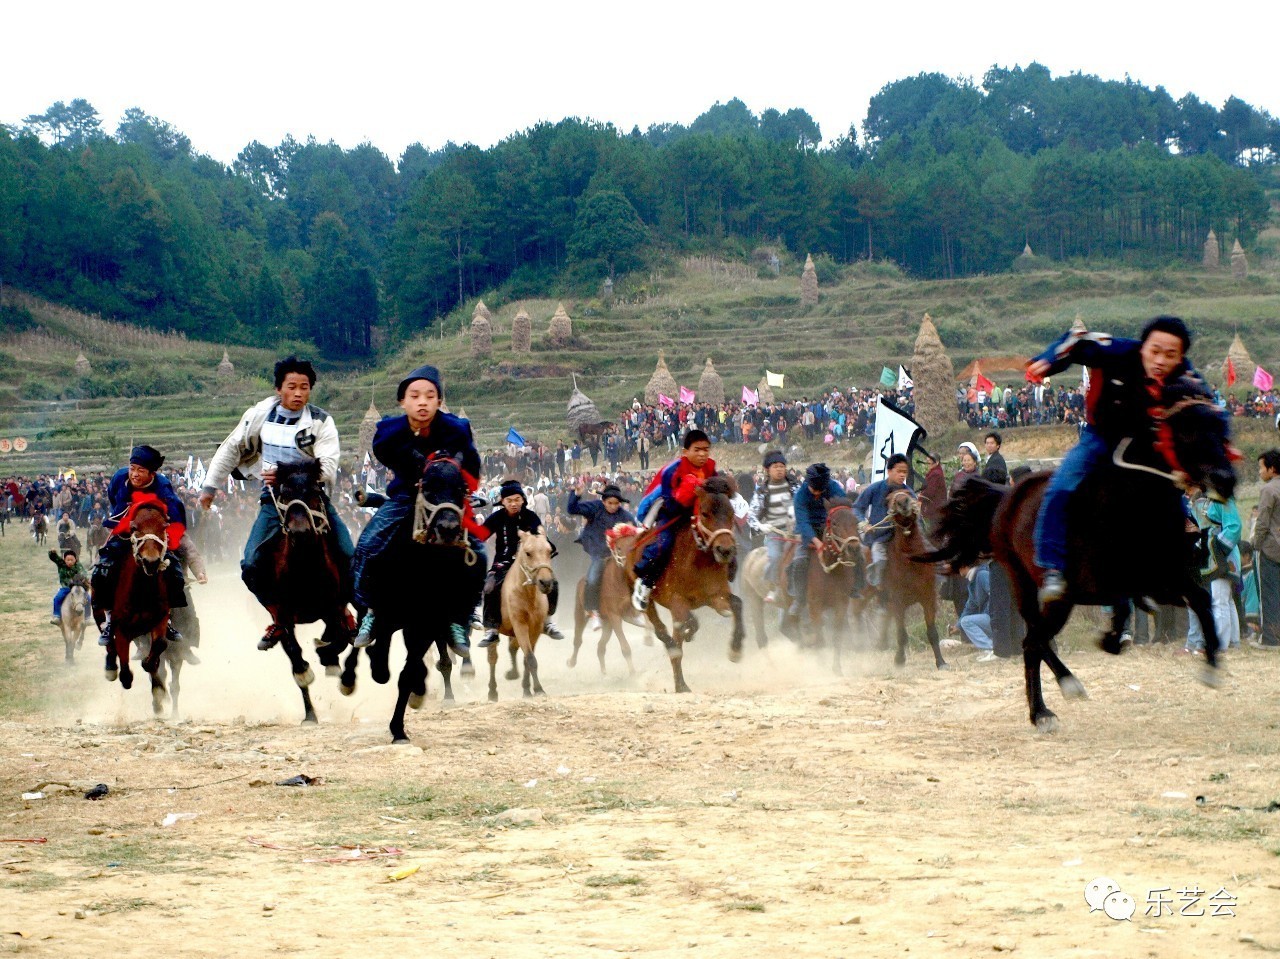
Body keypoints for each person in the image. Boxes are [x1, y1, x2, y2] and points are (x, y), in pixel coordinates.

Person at [1028, 316, 1214, 609]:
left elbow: (1206, 409)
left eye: (1170, 354)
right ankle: (1052, 568)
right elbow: (1076, 340)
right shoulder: (1117, 350)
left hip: (1142, 443)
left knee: (1172, 501)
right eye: (1155, 351)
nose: (1161, 360)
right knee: (1061, 487)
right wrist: (1049, 360)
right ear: (1144, 345)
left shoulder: (1186, 374)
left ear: (1180, 356)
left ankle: (1164, 574)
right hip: (1099, 437)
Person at [201, 356, 355, 651]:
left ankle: (344, 611)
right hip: (275, 501)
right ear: (278, 389)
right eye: (292, 387)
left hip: (313, 499)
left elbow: (327, 466)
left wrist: (286, 472)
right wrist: (210, 486)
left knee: (349, 554)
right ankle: (277, 617)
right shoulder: (259, 415)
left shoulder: (321, 421)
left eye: (304, 387)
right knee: (250, 563)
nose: (298, 393)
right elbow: (231, 448)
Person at [350, 364, 483, 654]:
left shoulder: (457, 428)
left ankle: (461, 616)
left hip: (446, 499)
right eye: (415, 396)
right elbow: (383, 452)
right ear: (403, 401)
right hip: (406, 495)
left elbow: (473, 463)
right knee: (369, 544)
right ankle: (370, 611)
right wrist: (414, 447)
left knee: (478, 552)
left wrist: (458, 483)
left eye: (429, 396)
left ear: (439, 400)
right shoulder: (389, 429)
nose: (422, 402)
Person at [92, 445, 188, 649]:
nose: (134, 474)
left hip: (152, 534)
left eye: (140, 470)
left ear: (152, 474)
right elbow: (113, 498)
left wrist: (165, 538)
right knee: (102, 570)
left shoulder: (162, 486)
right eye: (132, 468)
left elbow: (175, 513)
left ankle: (167, 618)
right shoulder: (120, 477)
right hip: (125, 529)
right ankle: (108, 620)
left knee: (175, 573)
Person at [631, 430, 717, 611]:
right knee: (664, 543)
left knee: (720, 537)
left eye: (706, 450)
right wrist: (689, 498)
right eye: (697, 450)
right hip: (672, 514)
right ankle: (645, 582)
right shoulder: (671, 471)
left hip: (698, 514)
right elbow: (669, 500)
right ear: (685, 452)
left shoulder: (710, 468)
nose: (702, 454)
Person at [476, 479, 565, 647]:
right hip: (503, 562)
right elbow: (480, 535)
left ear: (523, 500)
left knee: (553, 583)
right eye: (509, 500)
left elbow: (539, 536)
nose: (513, 503)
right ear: (502, 501)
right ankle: (492, 629)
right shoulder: (496, 518)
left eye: (517, 499)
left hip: (530, 562)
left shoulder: (530, 517)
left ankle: (547, 621)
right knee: (489, 587)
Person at [568, 478, 635, 632]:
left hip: (618, 556)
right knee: (592, 579)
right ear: (603, 501)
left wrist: (633, 529)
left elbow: (635, 530)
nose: (613, 506)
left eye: (616, 503)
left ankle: (633, 609)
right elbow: (572, 509)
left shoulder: (625, 515)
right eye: (610, 503)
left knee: (635, 575)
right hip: (599, 553)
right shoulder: (595, 508)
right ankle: (593, 612)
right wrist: (576, 494)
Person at [786, 462, 852, 616]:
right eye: (814, 490)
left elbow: (844, 508)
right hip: (807, 530)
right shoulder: (800, 495)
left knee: (854, 552)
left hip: (830, 527)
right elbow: (803, 522)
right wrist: (817, 543)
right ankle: (799, 599)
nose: (816, 493)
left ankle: (854, 589)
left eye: (820, 491)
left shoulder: (834, 488)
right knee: (799, 561)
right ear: (808, 483)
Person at [1183, 481, 1241, 654]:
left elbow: (1234, 526)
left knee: (1220, 600)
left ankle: (1220, 645)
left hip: (1223, 554)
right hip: (1214, 554)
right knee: (1225, 599)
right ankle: (1233, 641)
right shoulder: (1205, 500)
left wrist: (1217, 547)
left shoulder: (1223, 498)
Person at [853, 454, 915, 589]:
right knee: (879, 560)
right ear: (889, 471)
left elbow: (917, 517)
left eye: (905, 472)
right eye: (899, 471)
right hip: (879, 537)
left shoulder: (909, 493)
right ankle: (877, 586)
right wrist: (863, 524)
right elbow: (857, 508)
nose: (902, 475)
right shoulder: (875, 488)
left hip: (903, 537)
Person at [747, 450, 798, 604]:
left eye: (782, 466)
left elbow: (803, 503)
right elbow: (751, 515)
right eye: (775, 467)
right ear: (767, 469)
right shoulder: (762, 491)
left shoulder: (795, 486)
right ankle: (773, 586)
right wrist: (761, 526)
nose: (779, 469)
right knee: (775, 556)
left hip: (796, 532)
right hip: (774, 533)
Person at [1251, 449, 1280, 648]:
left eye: (1261, 467)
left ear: (1272, 469)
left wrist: (1255, 543)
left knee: (1269, 595)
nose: (1260, 471)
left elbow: (1262, 523)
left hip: (1270, 549)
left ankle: (1270, 638)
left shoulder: (1269, 490)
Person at [958, 560, 997, 663]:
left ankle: (992, 648)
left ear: (964, 566)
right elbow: (970, 606)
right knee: (965, 621)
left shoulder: (982, 575)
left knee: (966, 622)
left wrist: (989, 612)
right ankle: (991, 648)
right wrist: (958, 625)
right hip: (992, 616)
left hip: (996, 617)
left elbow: (995, 596)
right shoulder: (973, 580)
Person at [49, 548, 88, 625]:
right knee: (57, 598)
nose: (70, 562)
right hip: (66, 587)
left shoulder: (78, 565)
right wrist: (52, 553)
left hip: (77, 587)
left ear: (75, 560)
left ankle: (87, 617)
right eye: (68, 560)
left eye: (72, 560)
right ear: (64, 560)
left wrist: (81, 578)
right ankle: (57, 616)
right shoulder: (61, 564)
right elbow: (54, 558)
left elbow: (83, 573)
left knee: (88, 598)